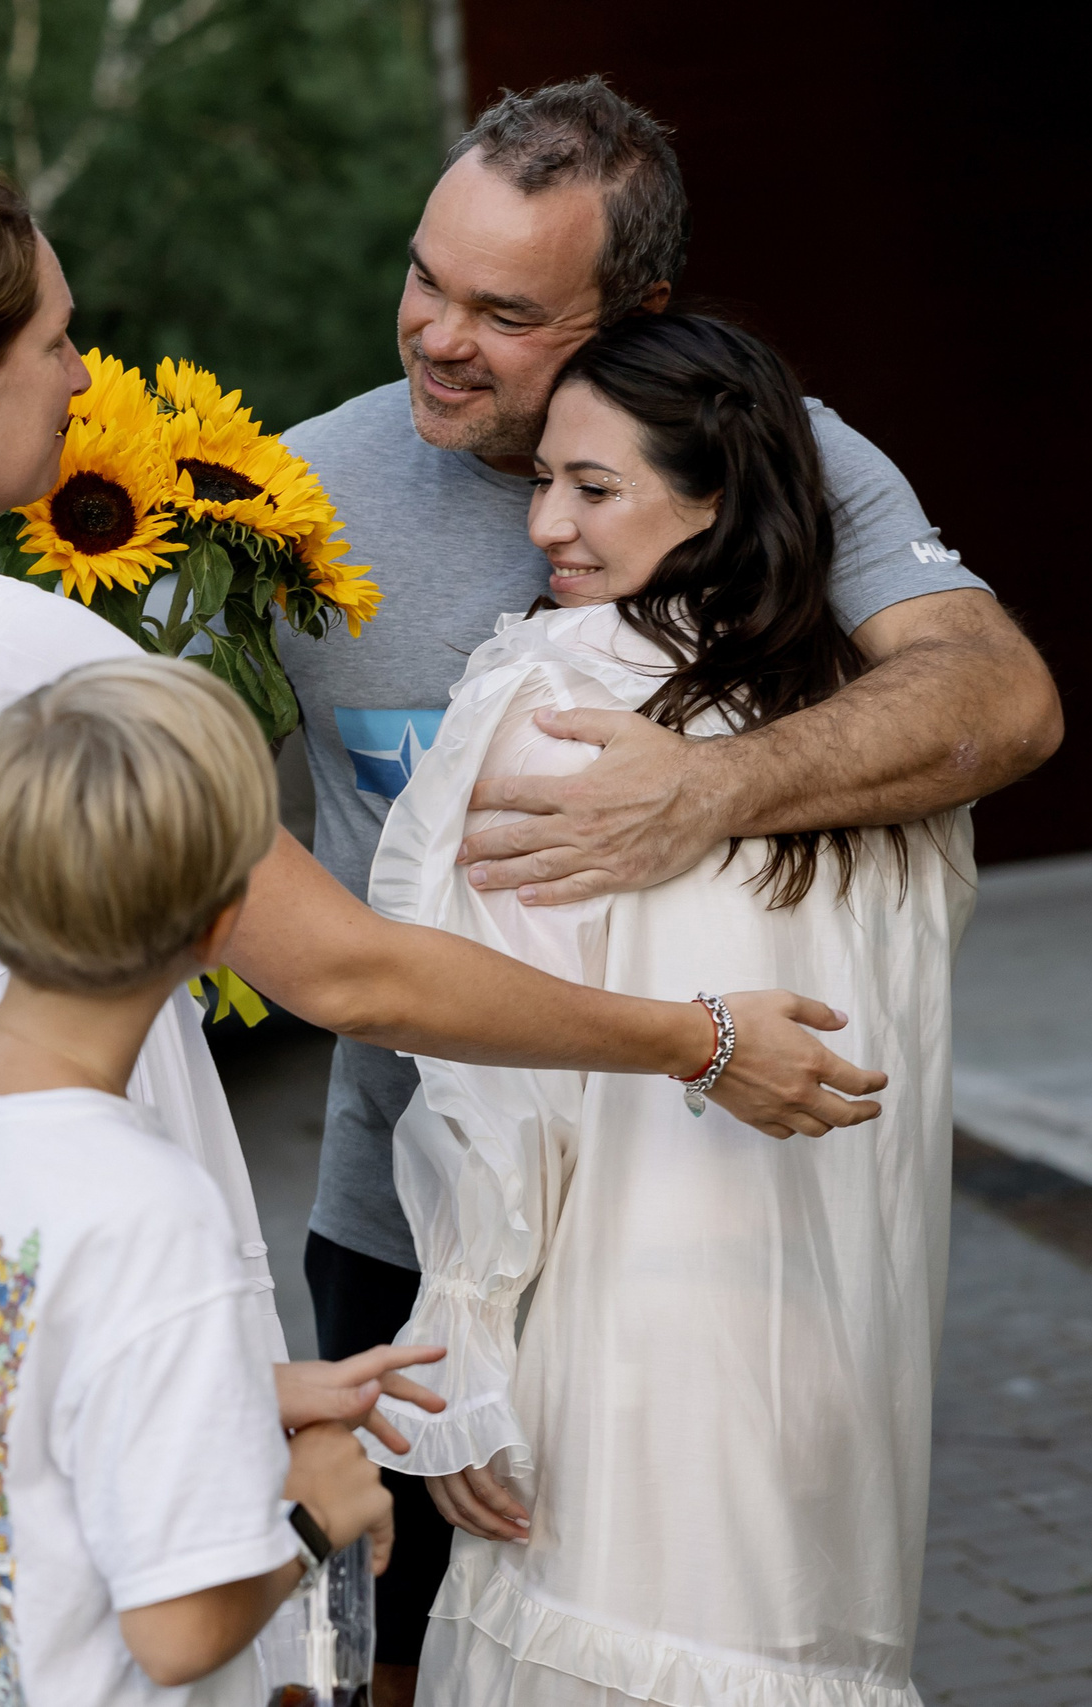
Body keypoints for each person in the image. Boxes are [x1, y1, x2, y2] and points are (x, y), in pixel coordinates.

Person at [0, 138, 888, 1707]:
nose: (80, 375)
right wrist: (697, 1036)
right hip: (65, 1368)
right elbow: (345, 965)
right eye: (57, 339)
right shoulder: (21, 652)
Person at [274, 77, 1062, 1695]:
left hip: (694, 1237)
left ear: (635, 310)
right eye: (426, 277)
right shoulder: (280, 502)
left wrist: (707, 788)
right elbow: (166, 807)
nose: (438, 337)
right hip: (405, 1211)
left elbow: (999, 697)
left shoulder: (774, 452)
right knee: (381, 1666)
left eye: (506, 313)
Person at [362, 311, 975, 1706]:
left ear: (713, 499)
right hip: (841, 1342)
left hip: (624, 1360)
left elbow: (490, 1078)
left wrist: (460, 1352)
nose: (545, 526)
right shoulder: (882, 745)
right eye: (544, 481)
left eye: (593, 487)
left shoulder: (556, 704)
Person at [0, 655, 396, 1704]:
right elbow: (178, 1634)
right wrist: (319, 1506)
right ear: (221, 926)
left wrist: (241, 1391)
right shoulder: (145, 1206)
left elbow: (1, 1381)